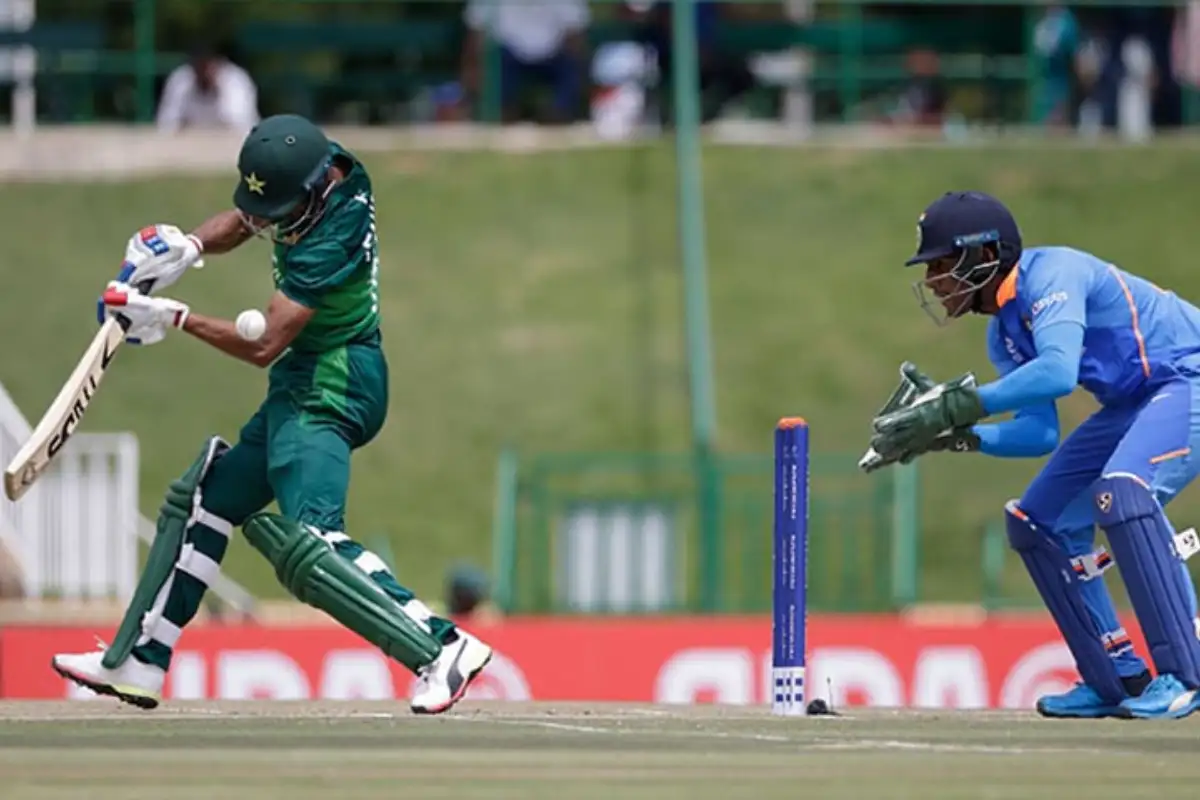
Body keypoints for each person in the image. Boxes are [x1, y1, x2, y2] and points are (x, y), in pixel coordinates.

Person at [50, 114, 492, 715]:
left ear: (311, 196)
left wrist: (173, 317)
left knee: (312, 540)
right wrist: (190, 245)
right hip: (301, 380)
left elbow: (264, 344)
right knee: (206, 498)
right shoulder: (309, 166)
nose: (262, 224)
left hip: (337, 382)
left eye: (277, 213)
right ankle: (142, 659)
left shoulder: (337, 229)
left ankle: (443, 647)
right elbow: (249, 216)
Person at [863, 190, 1200, 720]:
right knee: (1035, 520)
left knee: (1124, 490)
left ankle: (1185, 674)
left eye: (943, 264)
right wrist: (962, 435)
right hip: (1135, 399)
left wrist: (960, 403)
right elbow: (1037, 432)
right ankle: (1115, 678)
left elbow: (1060, 372)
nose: (933, 281)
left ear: (984, 255)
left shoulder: (1054, 274)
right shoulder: (1005, 331)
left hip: (1189, 376)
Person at [156, 46, 259, 135]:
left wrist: (217, 90)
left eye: (207, 66)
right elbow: (166, 124)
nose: (204, 72)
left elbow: (241, 124)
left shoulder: (236, 80)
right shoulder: (181, 81)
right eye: (199, 66)